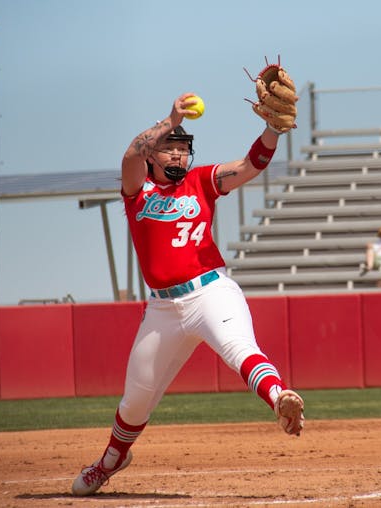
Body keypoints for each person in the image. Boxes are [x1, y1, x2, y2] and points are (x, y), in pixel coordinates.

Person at [71, 90, 305, 496]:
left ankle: (280, 398)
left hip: (210, 291)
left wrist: (271, 130)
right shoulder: (137, 190)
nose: (179, 155)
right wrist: (170, 120)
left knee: (239, 349)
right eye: (170, 149)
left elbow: (249, 166)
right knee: (136, 400)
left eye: (183, 149)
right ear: (152, 155)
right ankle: (111, 460)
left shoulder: (201, 182)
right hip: (163, 308)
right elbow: (130, 154)